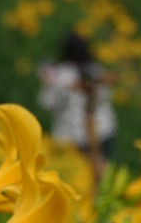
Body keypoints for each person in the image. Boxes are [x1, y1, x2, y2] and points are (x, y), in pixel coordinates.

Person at [38, 31, 118, 180]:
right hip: (104, 130)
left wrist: (48, 83)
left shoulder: (61, 74)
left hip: (73, 138)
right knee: (101, 179)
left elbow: (47, 103)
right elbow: (105, 97)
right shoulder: (96, 69)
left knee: (78, 181)